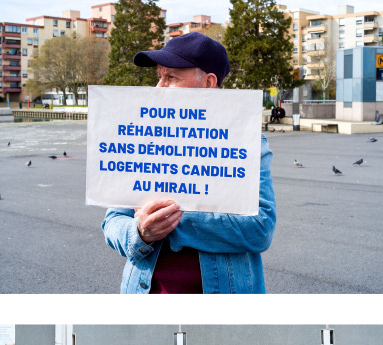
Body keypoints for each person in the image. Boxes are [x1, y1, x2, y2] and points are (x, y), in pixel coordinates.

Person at [101, 32, 277, 294]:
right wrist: (139, 232)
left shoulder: (246, 140)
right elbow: (113, 221)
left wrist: (171, 222)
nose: (159, 88)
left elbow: (260, 228)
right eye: (159, 76)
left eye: (171, 77)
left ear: (208, 82)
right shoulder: (141, 138)